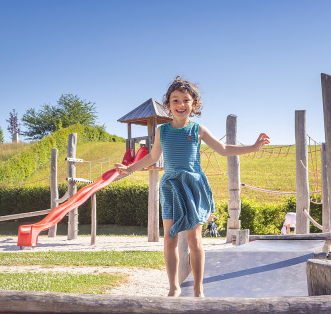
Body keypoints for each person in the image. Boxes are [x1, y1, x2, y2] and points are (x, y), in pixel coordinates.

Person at [115, 76, 269, 297]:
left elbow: (224, 149)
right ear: (168, 105)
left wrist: (253, 147)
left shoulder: (198, 130)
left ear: (194, 105)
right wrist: (129, 169)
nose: (180, 105)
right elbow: (152, 157)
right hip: (170, 187)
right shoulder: (162, 131)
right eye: (175, 100)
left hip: (193, 186)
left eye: (186, 100)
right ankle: (173, 287)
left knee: (194, 239)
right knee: (169, 239)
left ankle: (198, 288)